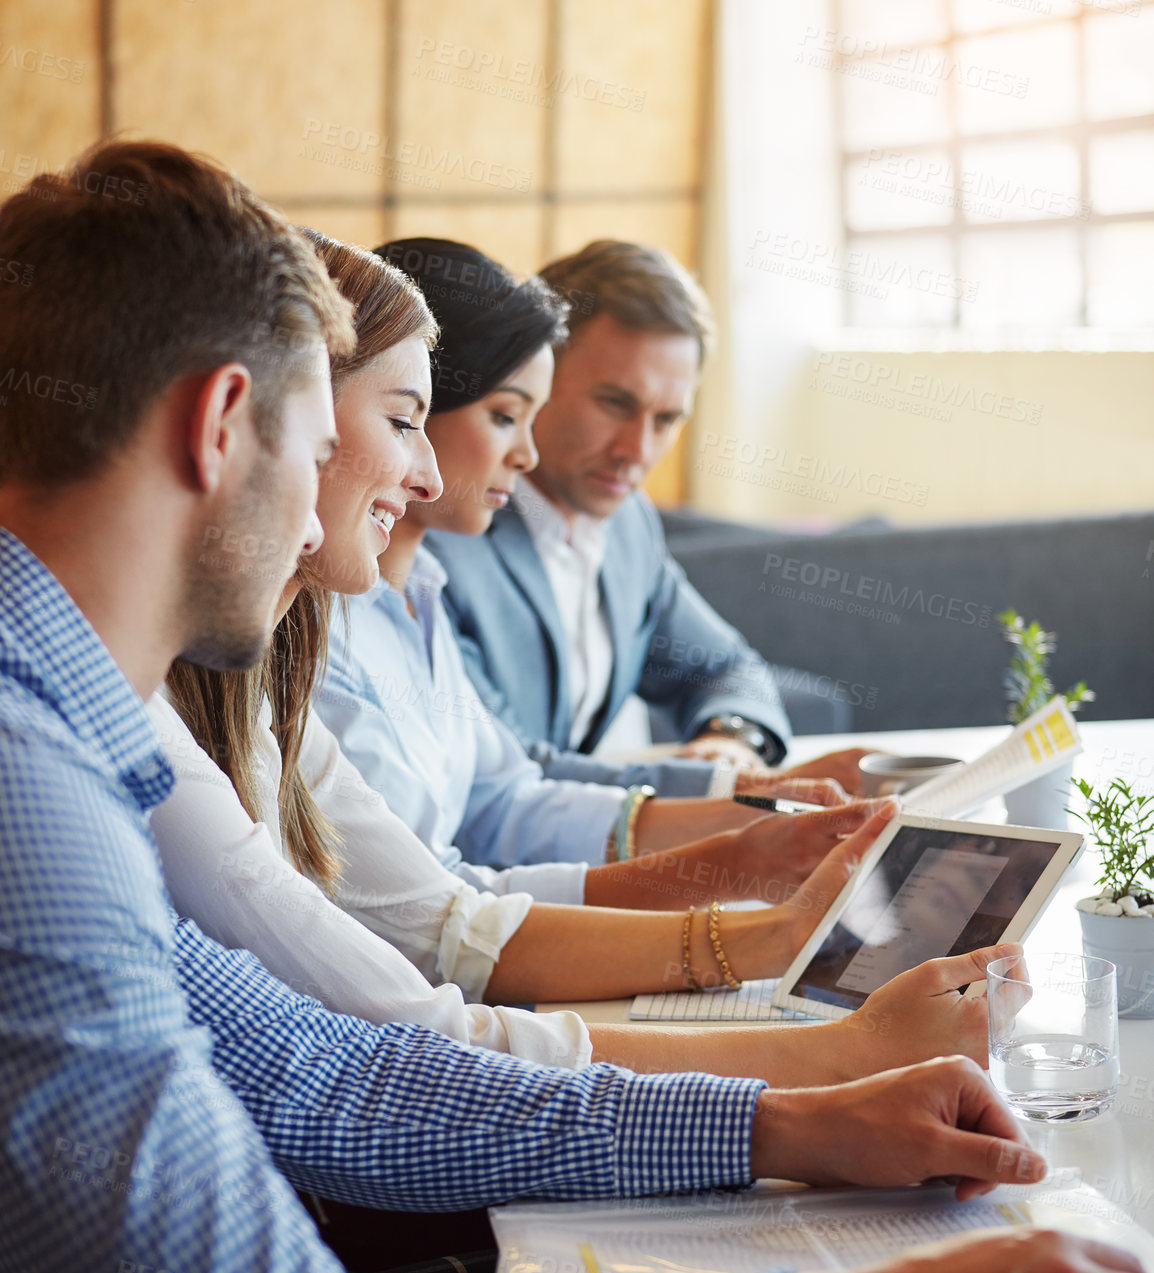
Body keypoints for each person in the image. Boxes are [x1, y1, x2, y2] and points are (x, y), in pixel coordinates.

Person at [3, 140, 1151, 1273]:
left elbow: (325, 1078)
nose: (384, 487)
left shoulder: (67, 725)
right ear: (220, 426)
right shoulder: (26, 794)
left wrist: (791, 1123)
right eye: (327, 438)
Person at [155, 230, 995, 1085]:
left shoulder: (317, 654)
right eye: (408, 422)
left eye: (667, 419)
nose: (429, 478)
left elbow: (461, 895)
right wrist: (805, 1047)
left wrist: (749, 835)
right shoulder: (312, 635)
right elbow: (424, 999)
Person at [417, 238, 860, 792]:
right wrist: (711, 792)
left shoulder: (629, 524)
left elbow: (726, 667)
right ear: (540, 371)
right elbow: (508, 773)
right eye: (615, 404)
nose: (638, 451)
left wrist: (729, 742)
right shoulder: (435, 535)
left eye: (667, 418)